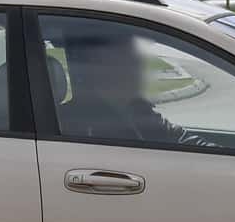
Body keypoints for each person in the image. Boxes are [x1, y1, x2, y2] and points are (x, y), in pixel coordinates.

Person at [55, 26, 213, 148]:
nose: (139, 63)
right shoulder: (79, 125)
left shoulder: (137, 110)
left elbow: (181, 139)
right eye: (128, 55)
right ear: (102, 66)